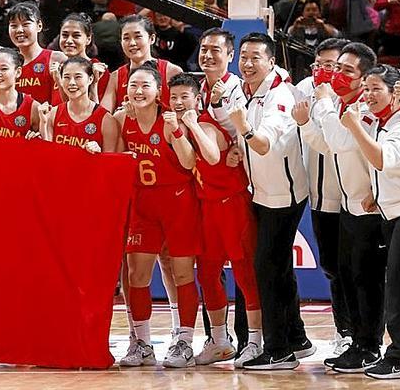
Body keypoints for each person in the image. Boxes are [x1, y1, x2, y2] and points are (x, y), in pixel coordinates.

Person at [161, 72, 263, 369]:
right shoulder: (174, 127)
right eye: (174, 97)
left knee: (245, 274)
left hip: (232, 206)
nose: (179, 102)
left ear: (198, 99)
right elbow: (187, 162)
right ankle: (219, 340)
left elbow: (212, 158)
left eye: (185, 97)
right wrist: (179, 131)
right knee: (207, 274)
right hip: (206, 207)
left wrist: (190, 125)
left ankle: (256, 340)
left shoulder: (205, 122)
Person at [228, 33, 312, 370]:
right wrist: (240, 147)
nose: (247, 64)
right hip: (262, 192)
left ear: (271, 61)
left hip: (283, 197)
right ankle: (297, 338)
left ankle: (279, 351)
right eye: (243, 57)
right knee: (277, 266)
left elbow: (263, 143)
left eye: (255, 58)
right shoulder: (248, 90)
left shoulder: (280, 97)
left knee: (267, 268)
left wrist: (245, 131)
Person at [302, 43, 385, 374]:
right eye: (337, 68)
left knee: (368, 281)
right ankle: (357, 342)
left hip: (370, 207)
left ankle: (371, 346)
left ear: (363, 78)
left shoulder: (364, 108)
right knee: (349, 276)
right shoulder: (340, 104)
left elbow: (340, 141)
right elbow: (327, 146)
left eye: (347, 71)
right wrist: (308, 123)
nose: (337, 75)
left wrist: (321, 102)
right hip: (349, 206)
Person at [116, 66, 201, 369]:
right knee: (136, 274)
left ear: (158, 91)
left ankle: (185, 341)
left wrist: (177, 130)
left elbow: (189, 161)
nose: (138, 91)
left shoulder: (168, 122)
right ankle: (142, 343)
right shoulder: (120, 120)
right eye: (132, 85)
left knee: (181, 274)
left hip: (177, 201)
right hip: (142, 204)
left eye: (145, 86)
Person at [340, 65, 400, 379]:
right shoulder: (383, 123)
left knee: (398, 287)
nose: (369, 95)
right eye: (367, 88)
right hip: (393, 212)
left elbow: (383, 159)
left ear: (395, 93)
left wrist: (355, 127)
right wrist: (377, 192)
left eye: (376, 89)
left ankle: (398, 356)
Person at [292, 37, 353, 357]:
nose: (325, 71)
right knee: (331, 266)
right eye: (320, 65)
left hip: (355, 198)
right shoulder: (302, 89)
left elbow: (332, 144)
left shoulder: (352, 96)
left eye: (333, 66)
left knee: (356, 268)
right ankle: (344, 332)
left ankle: (363, 335)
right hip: (319, 197)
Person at [101, 15, 183, 112]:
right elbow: (104, 114)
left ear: (152, 39)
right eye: (126, 38)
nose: (132, 43)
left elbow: (183, 111)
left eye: (138, 37)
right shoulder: (116, 76)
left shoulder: (172, 71)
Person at [39, 58, 117, 153]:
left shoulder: (106, 119)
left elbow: (110, 162)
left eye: (78, 77)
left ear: (91, 79)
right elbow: (47, 154)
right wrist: (43, 124)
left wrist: (98, 154)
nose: (72, 83)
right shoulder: (52, 114)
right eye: (67, 77)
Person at [7, 2, 67, 104]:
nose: (19, 30)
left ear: (39, 26)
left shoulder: (57, 59)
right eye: (14, 26)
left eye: (25, 24)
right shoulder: (6, 63)